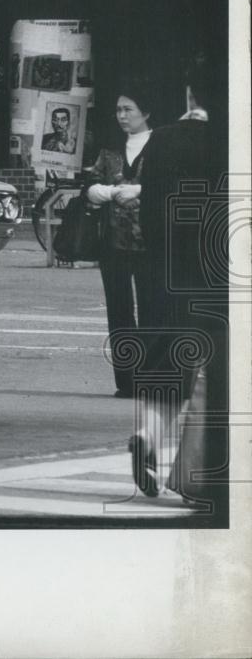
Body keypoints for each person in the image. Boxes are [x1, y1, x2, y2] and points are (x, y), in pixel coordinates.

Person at [133, 70, 227, 501]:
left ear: (190, 95)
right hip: (217, 270)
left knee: (170, 360)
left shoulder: (163, 138)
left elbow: (148, 207)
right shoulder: (228, 140)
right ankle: (202, 469)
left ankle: (148, 434)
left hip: (167, 266)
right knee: (213, 370)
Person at [84, 85, 155, 398]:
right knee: (119, 311)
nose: (122, 116)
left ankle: (151, 377)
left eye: (128, 109)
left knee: (152, 309)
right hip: (112, 242)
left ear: (145, 112)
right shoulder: (110, 151)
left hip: (150, 242)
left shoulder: (158, 146)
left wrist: (138, 191)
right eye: (118, 110)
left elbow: (165, 184)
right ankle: (127, 381)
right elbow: (89, 186)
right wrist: (111, 192)